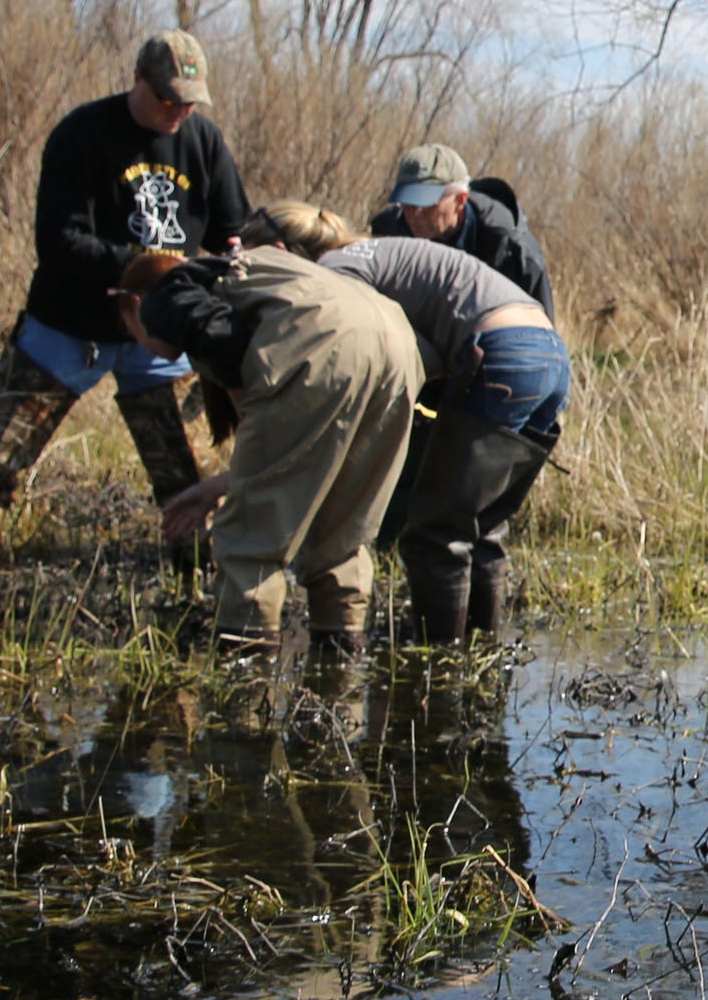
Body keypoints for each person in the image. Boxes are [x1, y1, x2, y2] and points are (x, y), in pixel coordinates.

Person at [0, 30, 252, 580]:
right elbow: (57, 242)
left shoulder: (204, 141)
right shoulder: (82, 134)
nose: (178, 109)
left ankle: (203, 579)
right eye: (167, 96)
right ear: (138, 80)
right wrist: (142, 270)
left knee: (191, 475)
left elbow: (231, 231)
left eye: (189, 99)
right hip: (69, 327)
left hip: (163, 335)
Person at [248, 203, 571, 644]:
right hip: (549, 353)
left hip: (501, 351)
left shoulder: (334, 273)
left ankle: (436, 665)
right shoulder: (373, 254)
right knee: (481, 526)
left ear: (286, 253)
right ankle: (481, 653)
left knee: (433, 534)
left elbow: (387, 355)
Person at [122, 240, 422, 660]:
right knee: (343, 532)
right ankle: (339, 674)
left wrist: (245, 475)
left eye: (132, 333)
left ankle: (245, 693)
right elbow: (293, 453)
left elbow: (227, 347)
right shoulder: (255, 275)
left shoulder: (167, 296)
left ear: (133, 305)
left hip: (322, 342)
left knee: (250, 541)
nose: (142, 345)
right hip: (396, 342)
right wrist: (218, 486)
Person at [367, 144, 554, 310]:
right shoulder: (385, 235)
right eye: (407, 203)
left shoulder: (514, 252)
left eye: (425, 204)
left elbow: (542, 338)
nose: (414, 214)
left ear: (460, 200)